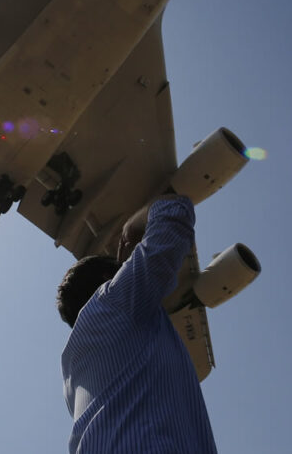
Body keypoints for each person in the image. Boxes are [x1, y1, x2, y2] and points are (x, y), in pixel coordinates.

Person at [56, 194, 218, 453]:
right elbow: (173, 211)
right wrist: (132, 225)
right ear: (110, 278)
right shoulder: (114, 301)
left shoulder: (72, 374)